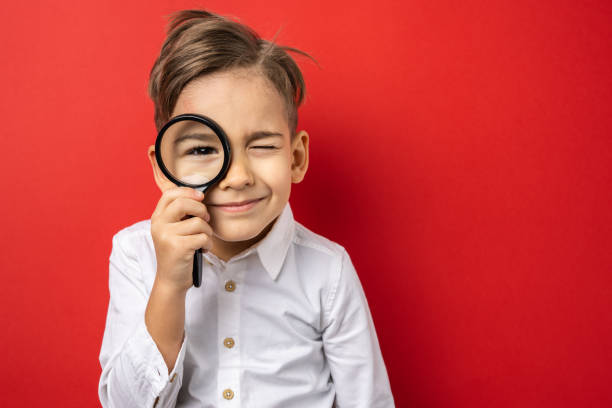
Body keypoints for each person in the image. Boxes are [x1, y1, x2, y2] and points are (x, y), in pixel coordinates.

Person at [98, 9, 394, 408]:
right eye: (202, 149)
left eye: (262, 145)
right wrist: (168, 284)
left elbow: (369, 401)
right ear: (164, 168)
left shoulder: (328, 270)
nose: (236, 176)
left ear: (296, 158)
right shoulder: (137, 255)